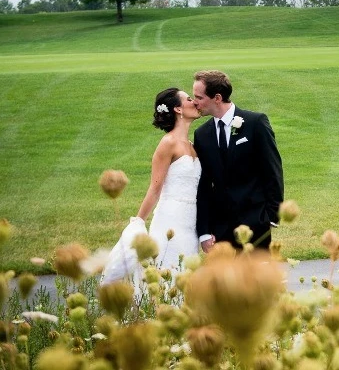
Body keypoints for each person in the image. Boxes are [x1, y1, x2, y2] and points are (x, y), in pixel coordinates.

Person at [100, 88, 202, 284]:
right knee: (170, 275)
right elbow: (155, 189)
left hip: (191, 221)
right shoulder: (168, 143)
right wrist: (138, 222)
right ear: (178, 109)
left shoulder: (191, 144)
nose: (194, 102)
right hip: (170, 219)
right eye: (189, 99)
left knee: (188, 276)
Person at [192, 70, 283, 251]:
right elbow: (203, 186)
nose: (195, 102)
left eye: (199, 97)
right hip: (220, 229)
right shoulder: (201, 134)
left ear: (217, 98)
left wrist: (272, 216)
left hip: (255, 223)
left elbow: (272, 170)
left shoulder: (255, 123)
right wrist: (204, 231)